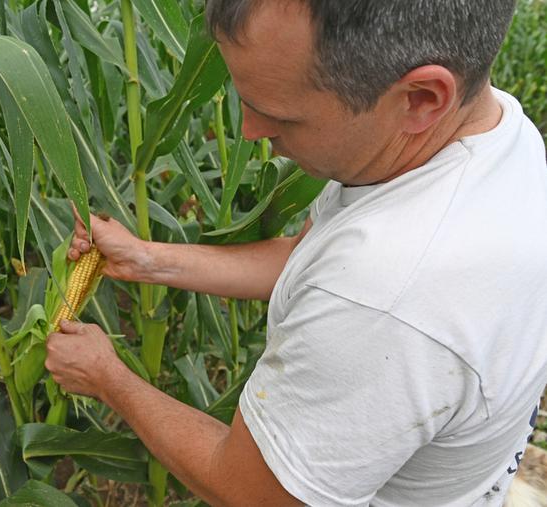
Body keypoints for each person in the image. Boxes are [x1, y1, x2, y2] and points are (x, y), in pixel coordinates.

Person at [45, 0, 547, 505]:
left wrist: (107, 378)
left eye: (278, 114)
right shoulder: (489, 132)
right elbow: (311, 255)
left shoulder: (386, 297)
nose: (250, 132)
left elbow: (253, 493)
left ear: (421, 99)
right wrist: (147, 260)